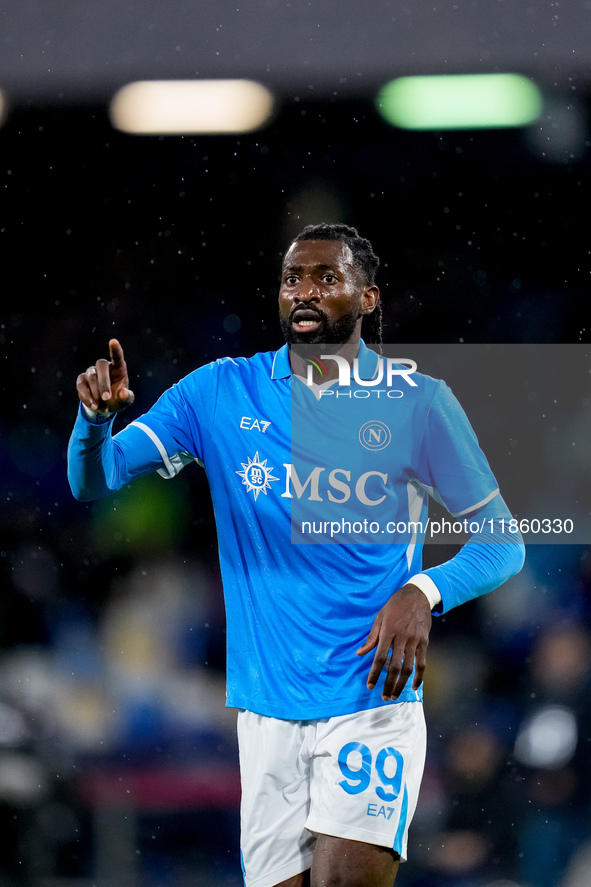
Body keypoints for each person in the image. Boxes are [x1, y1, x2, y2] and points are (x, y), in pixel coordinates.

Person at [68, 223, 525, 887]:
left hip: (370, 699)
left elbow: (501, 541)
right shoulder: (220, 391)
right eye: (292, 278)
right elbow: (96, 477)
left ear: (367, 298)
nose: (303, 292)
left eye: (325, 278)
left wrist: (420, 592)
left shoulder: (418, 404)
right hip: (266, 709)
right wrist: (94, 420)